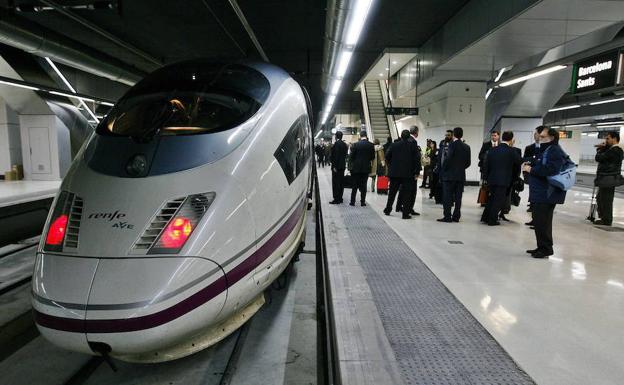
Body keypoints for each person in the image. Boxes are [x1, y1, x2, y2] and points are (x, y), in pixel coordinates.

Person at [522, 127, 567, 258]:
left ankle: (546, 248)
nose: (539, 139)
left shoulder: (555, 151)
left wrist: (531, 170)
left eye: (542, 137)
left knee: (543, 222)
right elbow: (542, 163)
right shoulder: (548, 150)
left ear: (551, 138)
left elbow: (550, 170)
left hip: (546, 193)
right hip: (541, 192)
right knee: (539, 221)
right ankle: (542, 246)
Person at [481, 131, 522, 226]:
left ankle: (485, 217)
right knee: (498, 200)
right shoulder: (512, 151)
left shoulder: (492, 150)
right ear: (512, 139)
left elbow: (486, 165)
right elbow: (519, 161)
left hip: (492, 179)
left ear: (501, 138)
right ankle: (492, 220)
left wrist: (486, 178)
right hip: (503, 180)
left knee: (491, 199)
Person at [383, 129, 420, 219]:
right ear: (408, 137)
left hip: (395, 173)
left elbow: (387, 156)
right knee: (407, 194)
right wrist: (416, 172)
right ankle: (405, 214)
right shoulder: (413, 146)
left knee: (392, 193)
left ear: (401, 136)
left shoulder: (394, 145)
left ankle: (388, 209)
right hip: (408, 174)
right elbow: (417, 160)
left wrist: (391, 165)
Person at [438, 127, 471, 223]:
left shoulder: (451, 145)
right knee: (458, 197)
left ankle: (447, 216)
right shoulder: (467, 147)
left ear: (454, 135)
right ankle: (456, 216)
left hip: (449, 176)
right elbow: (468, 163)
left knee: (447, 197)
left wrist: (443, 170)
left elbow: (447, 159)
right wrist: (460, 169)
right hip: (460, 176)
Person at [594, 131, 623, 226]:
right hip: (607, 178)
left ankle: (606, 220)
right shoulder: (613, 150)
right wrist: (603, 148)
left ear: (614, 139)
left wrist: (599, 149)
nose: (606, 140)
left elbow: (599, 158)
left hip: (608, 178)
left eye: (608, 138)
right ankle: (604, 218)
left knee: (606, 199)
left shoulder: (615, 150)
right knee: (601, 198)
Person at [397, 126, 422, 215]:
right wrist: (417, 172)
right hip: (411, 171)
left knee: (402, 189)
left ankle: (400, 206)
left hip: (402, 170)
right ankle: (409, 208)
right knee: (412, 191)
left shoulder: (402, 141)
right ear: (416, 132)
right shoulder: (413, 142)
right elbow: (416, 158)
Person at [349, 131, 375, 206]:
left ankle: (352, 202)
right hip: (366, 168)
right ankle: (362, 202)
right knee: (364, 186)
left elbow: (351, 157)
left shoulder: (356, 144)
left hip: (356, 168)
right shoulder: (371, 145)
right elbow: (372, 157)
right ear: (366, 136)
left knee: (354, 186)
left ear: (360, 136)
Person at [523, 127, 543, 215]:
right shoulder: (529, 147)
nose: (536, 136)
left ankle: (537, 205)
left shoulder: (545, 147)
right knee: (532, 189)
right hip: (531, 172)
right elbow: (525, 159)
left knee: (539, 190)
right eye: (535, 134)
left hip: (541, 172)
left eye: (538, 134)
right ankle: (532, 205)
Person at [432, 130, 453, 203]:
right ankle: (440, 199)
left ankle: (448, 200)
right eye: (446, 135)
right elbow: (439, 156)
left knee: (448, 187)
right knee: (440, 184)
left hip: (450, 169)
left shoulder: (453, 144)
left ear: (452, 136)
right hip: (441, 168)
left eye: (448, 135)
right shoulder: (442, 143)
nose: (447, 136)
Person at [329, 131, 348, 204]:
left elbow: (336, 156)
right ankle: (340, 198)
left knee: (336, 183)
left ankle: (336, 199)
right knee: (341, 183)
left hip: (336, 168)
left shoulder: (336, 144)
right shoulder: (344, 144)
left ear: (336, 136)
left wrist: (334, 166)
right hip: (342, 166)